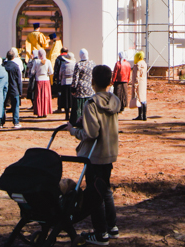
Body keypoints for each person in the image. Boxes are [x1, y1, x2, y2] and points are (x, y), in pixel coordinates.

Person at [67, 64, 121, 246]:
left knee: (94, 195)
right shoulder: (113, 101)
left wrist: (74, 130)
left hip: (94, 155)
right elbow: (102, 123)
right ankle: (112, 226)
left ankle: (100, 234)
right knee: (105, 190)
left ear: (92, 81)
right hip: (109, 152)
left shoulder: (91, 104)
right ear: (110, 81)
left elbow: (92, 133)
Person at [70, 49, 95, 126]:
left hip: (80, 89)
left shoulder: (78, 65)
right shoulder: (92, 63)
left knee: (78, 106)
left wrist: (73, 87)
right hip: (90, 88)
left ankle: (77, 122)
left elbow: (75, 78)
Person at [31, 48, 53, 118]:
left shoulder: (36, 61)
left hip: (38, 80)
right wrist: (47, 73)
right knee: (46, 96)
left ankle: (39, 112)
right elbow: (51, 72)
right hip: (46, 79)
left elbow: (32, 71)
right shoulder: (48, 61)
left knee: (38, 97)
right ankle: (45, 112)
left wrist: (37, 73)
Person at [3, 50, 23, 128]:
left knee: (3, 106)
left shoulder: (3, 66)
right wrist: (20, 91)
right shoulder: (15, 66)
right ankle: (16, 122)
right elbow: (19, 80)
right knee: (15, 106)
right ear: (14, 57)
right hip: (14, 88)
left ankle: (1, 122)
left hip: (5, 87)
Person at [58, 51, 76, 121]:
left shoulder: (63, 65)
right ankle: (72, 114)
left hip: (64, 82)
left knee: (66, 99)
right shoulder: (74, 64)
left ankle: (66, 114)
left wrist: (60, 79)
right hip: (72, 83)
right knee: (72, 99)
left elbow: (60, 74)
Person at [131, 51, 147, 121]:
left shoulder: (137, 64)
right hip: (143, 82)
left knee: (139, 99)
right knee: (143, 99)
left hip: (139, 83)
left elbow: (137, 76)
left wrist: (135, 84)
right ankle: (144, 116)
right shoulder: (144, 63)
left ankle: (141, 115)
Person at [53, 47, 69, 111]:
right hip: (68, 78)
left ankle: (59, 107)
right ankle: (67, 107)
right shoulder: (69, 58)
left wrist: (55, 78)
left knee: (60, 93)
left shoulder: (58, 59)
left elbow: (56, 69)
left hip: (60, 78)